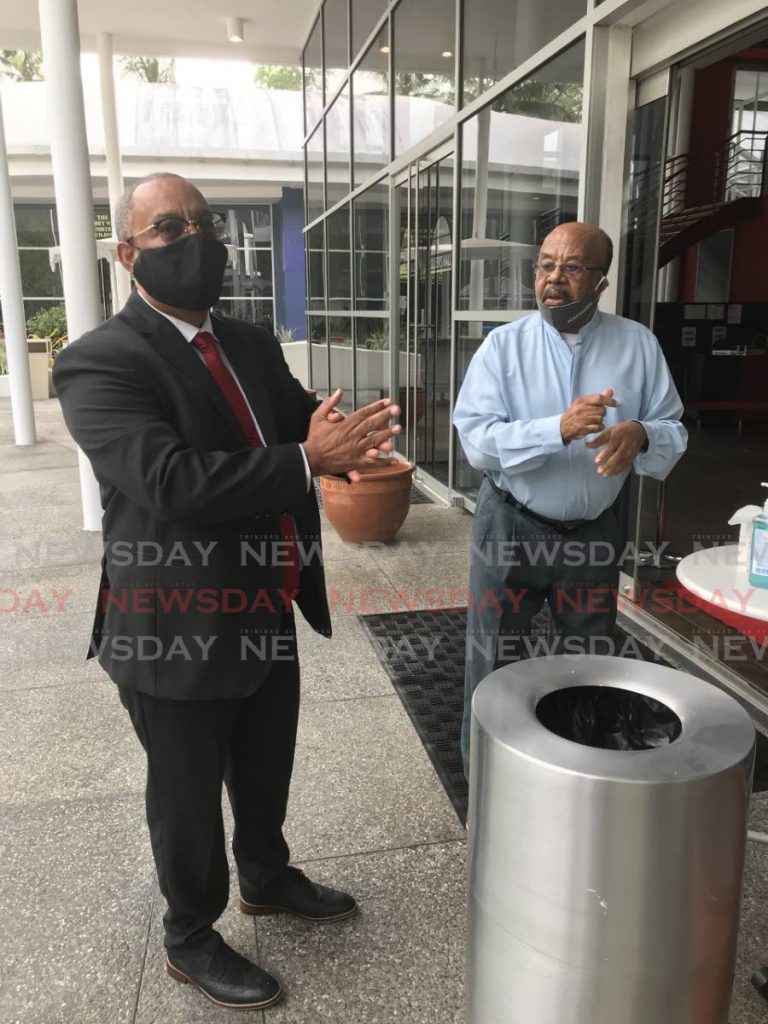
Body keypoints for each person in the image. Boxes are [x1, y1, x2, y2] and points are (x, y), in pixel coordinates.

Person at [53, 172, 401, 1011]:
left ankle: (267, 876)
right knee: (186, 791)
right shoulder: (98, 361)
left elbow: (293, 421)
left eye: (204, 224)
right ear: (130, 253)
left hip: (261, 602)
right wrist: (304, 462)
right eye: (171, 229)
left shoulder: (246, 342)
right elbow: (170, 481)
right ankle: (189, 933)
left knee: (263, 757)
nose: (196, 241)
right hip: (170, 622)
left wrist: (347, 439)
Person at [453, 221, 687, 775]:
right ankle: (486, 779)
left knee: (589, 661)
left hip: (594, 531)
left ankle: (577, 776)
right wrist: (553, 428)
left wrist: (643, 435)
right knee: (493, 654)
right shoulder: (503, 347)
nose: (554, 279)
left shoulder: (637, 344)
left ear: (601, 281)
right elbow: (476, 444)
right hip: (511, 526)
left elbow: (673, 429)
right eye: (545, 265)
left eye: (573, 267)